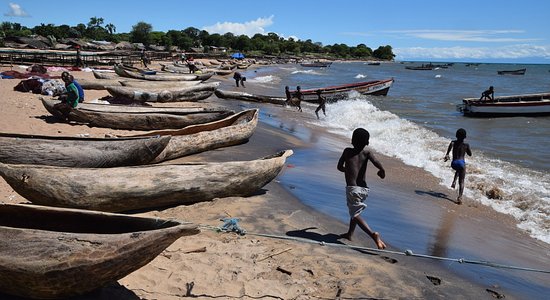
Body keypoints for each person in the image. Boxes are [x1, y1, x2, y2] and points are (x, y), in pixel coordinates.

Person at [337, 128, 387, 249]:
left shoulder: (347, 151)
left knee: (355, 214)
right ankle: (350, 234)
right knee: (355, 211)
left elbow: (339, 167)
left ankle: (373, 235)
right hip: (364, 189)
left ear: (352, 140)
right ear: (367, 142)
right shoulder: (367, 153)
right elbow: (377, 163)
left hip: (352, 189)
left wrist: (347, 170)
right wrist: (382, 171)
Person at [444, 128, 472, 204]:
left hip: (454, 163)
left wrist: (447, 155)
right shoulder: (466, 145)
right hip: (461, 163)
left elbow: (448, 151)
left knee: (458, 169)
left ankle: (454, 181)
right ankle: (460, 197)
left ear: (456, 135)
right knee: (462, 181)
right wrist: (467, 149)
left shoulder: (453, 142)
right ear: (465, 137)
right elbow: (470, 154)